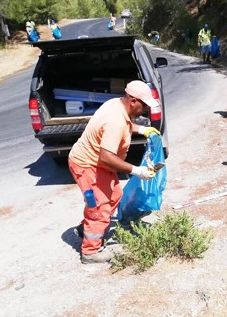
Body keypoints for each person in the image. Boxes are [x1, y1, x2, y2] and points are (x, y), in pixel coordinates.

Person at [68, 80, 161, 264]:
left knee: (114, 195)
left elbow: (125, 125)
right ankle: (90, 252)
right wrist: (137, 170)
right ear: (133, 101)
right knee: (100, 206)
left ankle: (85, 229)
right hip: (87, 165)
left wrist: (142, 129)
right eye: (143, 106)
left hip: (98, 165)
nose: (145, 110)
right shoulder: (115, 121)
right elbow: (106, 157)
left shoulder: (116, 105)